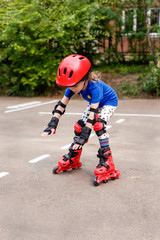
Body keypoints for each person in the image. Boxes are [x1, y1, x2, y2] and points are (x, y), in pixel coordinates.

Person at [41, 54, 120, 186]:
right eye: (70, 86)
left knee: (99, 125)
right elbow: (61, 105)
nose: (72, 89)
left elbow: (93, 114)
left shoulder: (95, 87)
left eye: (74, 86)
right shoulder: (74, 84)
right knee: (79, 126)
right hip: (95, 104)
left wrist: (84, 136)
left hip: (108, 102)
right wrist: (52, 124)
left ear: (85, 78)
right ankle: (74, 158)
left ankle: (108, 162)